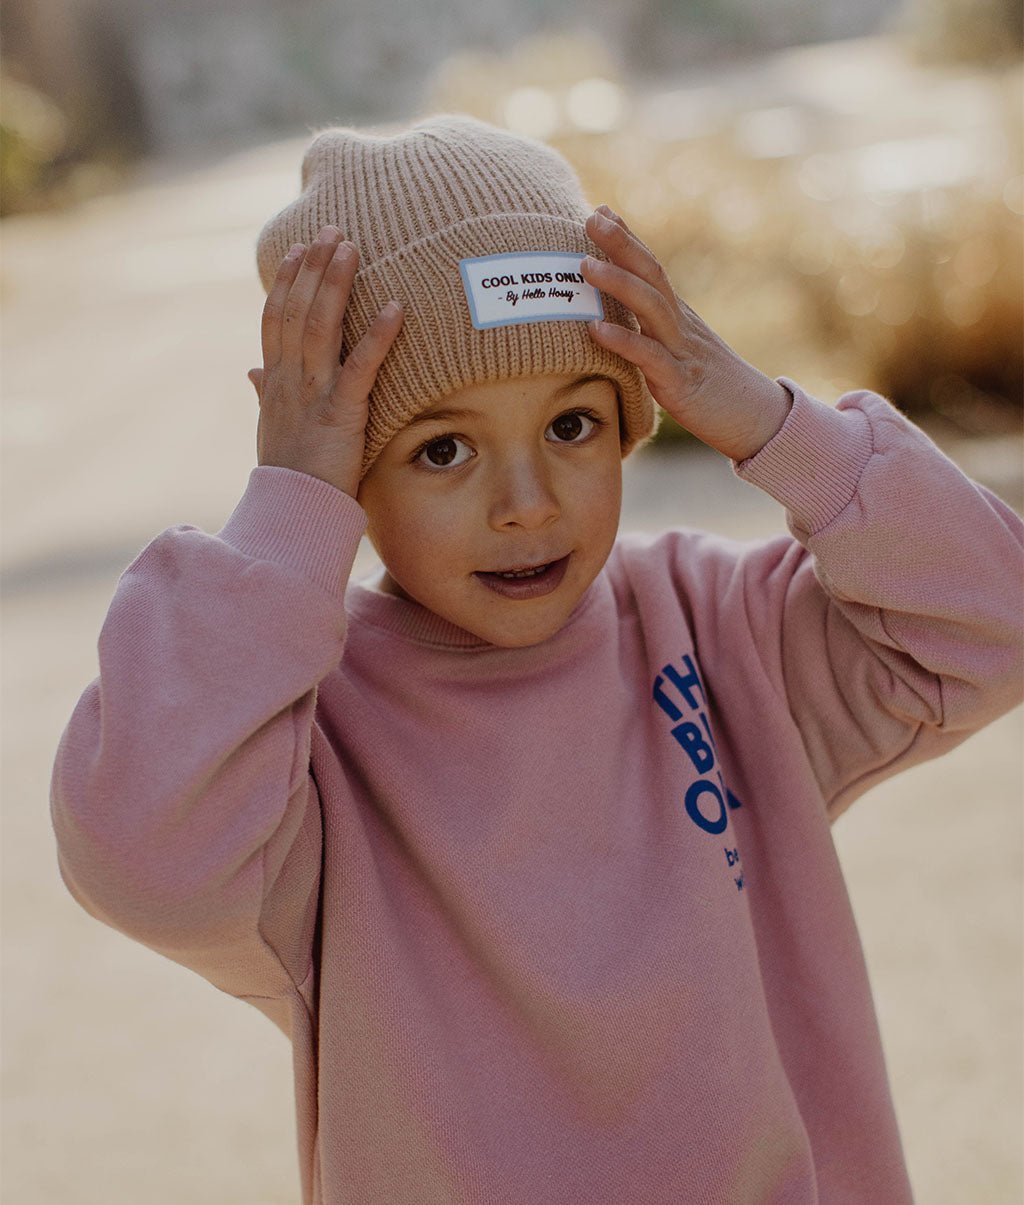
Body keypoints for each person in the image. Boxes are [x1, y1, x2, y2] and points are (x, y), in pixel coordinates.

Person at [50, 115, 1022, 1204]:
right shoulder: (305, 744)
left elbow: (989, 616)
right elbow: (140, 850)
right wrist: (286, 514)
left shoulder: (717, 627)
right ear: (349, 480)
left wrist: (765, 420)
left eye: (571, 426)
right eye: (441, 449)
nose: (525, 505)